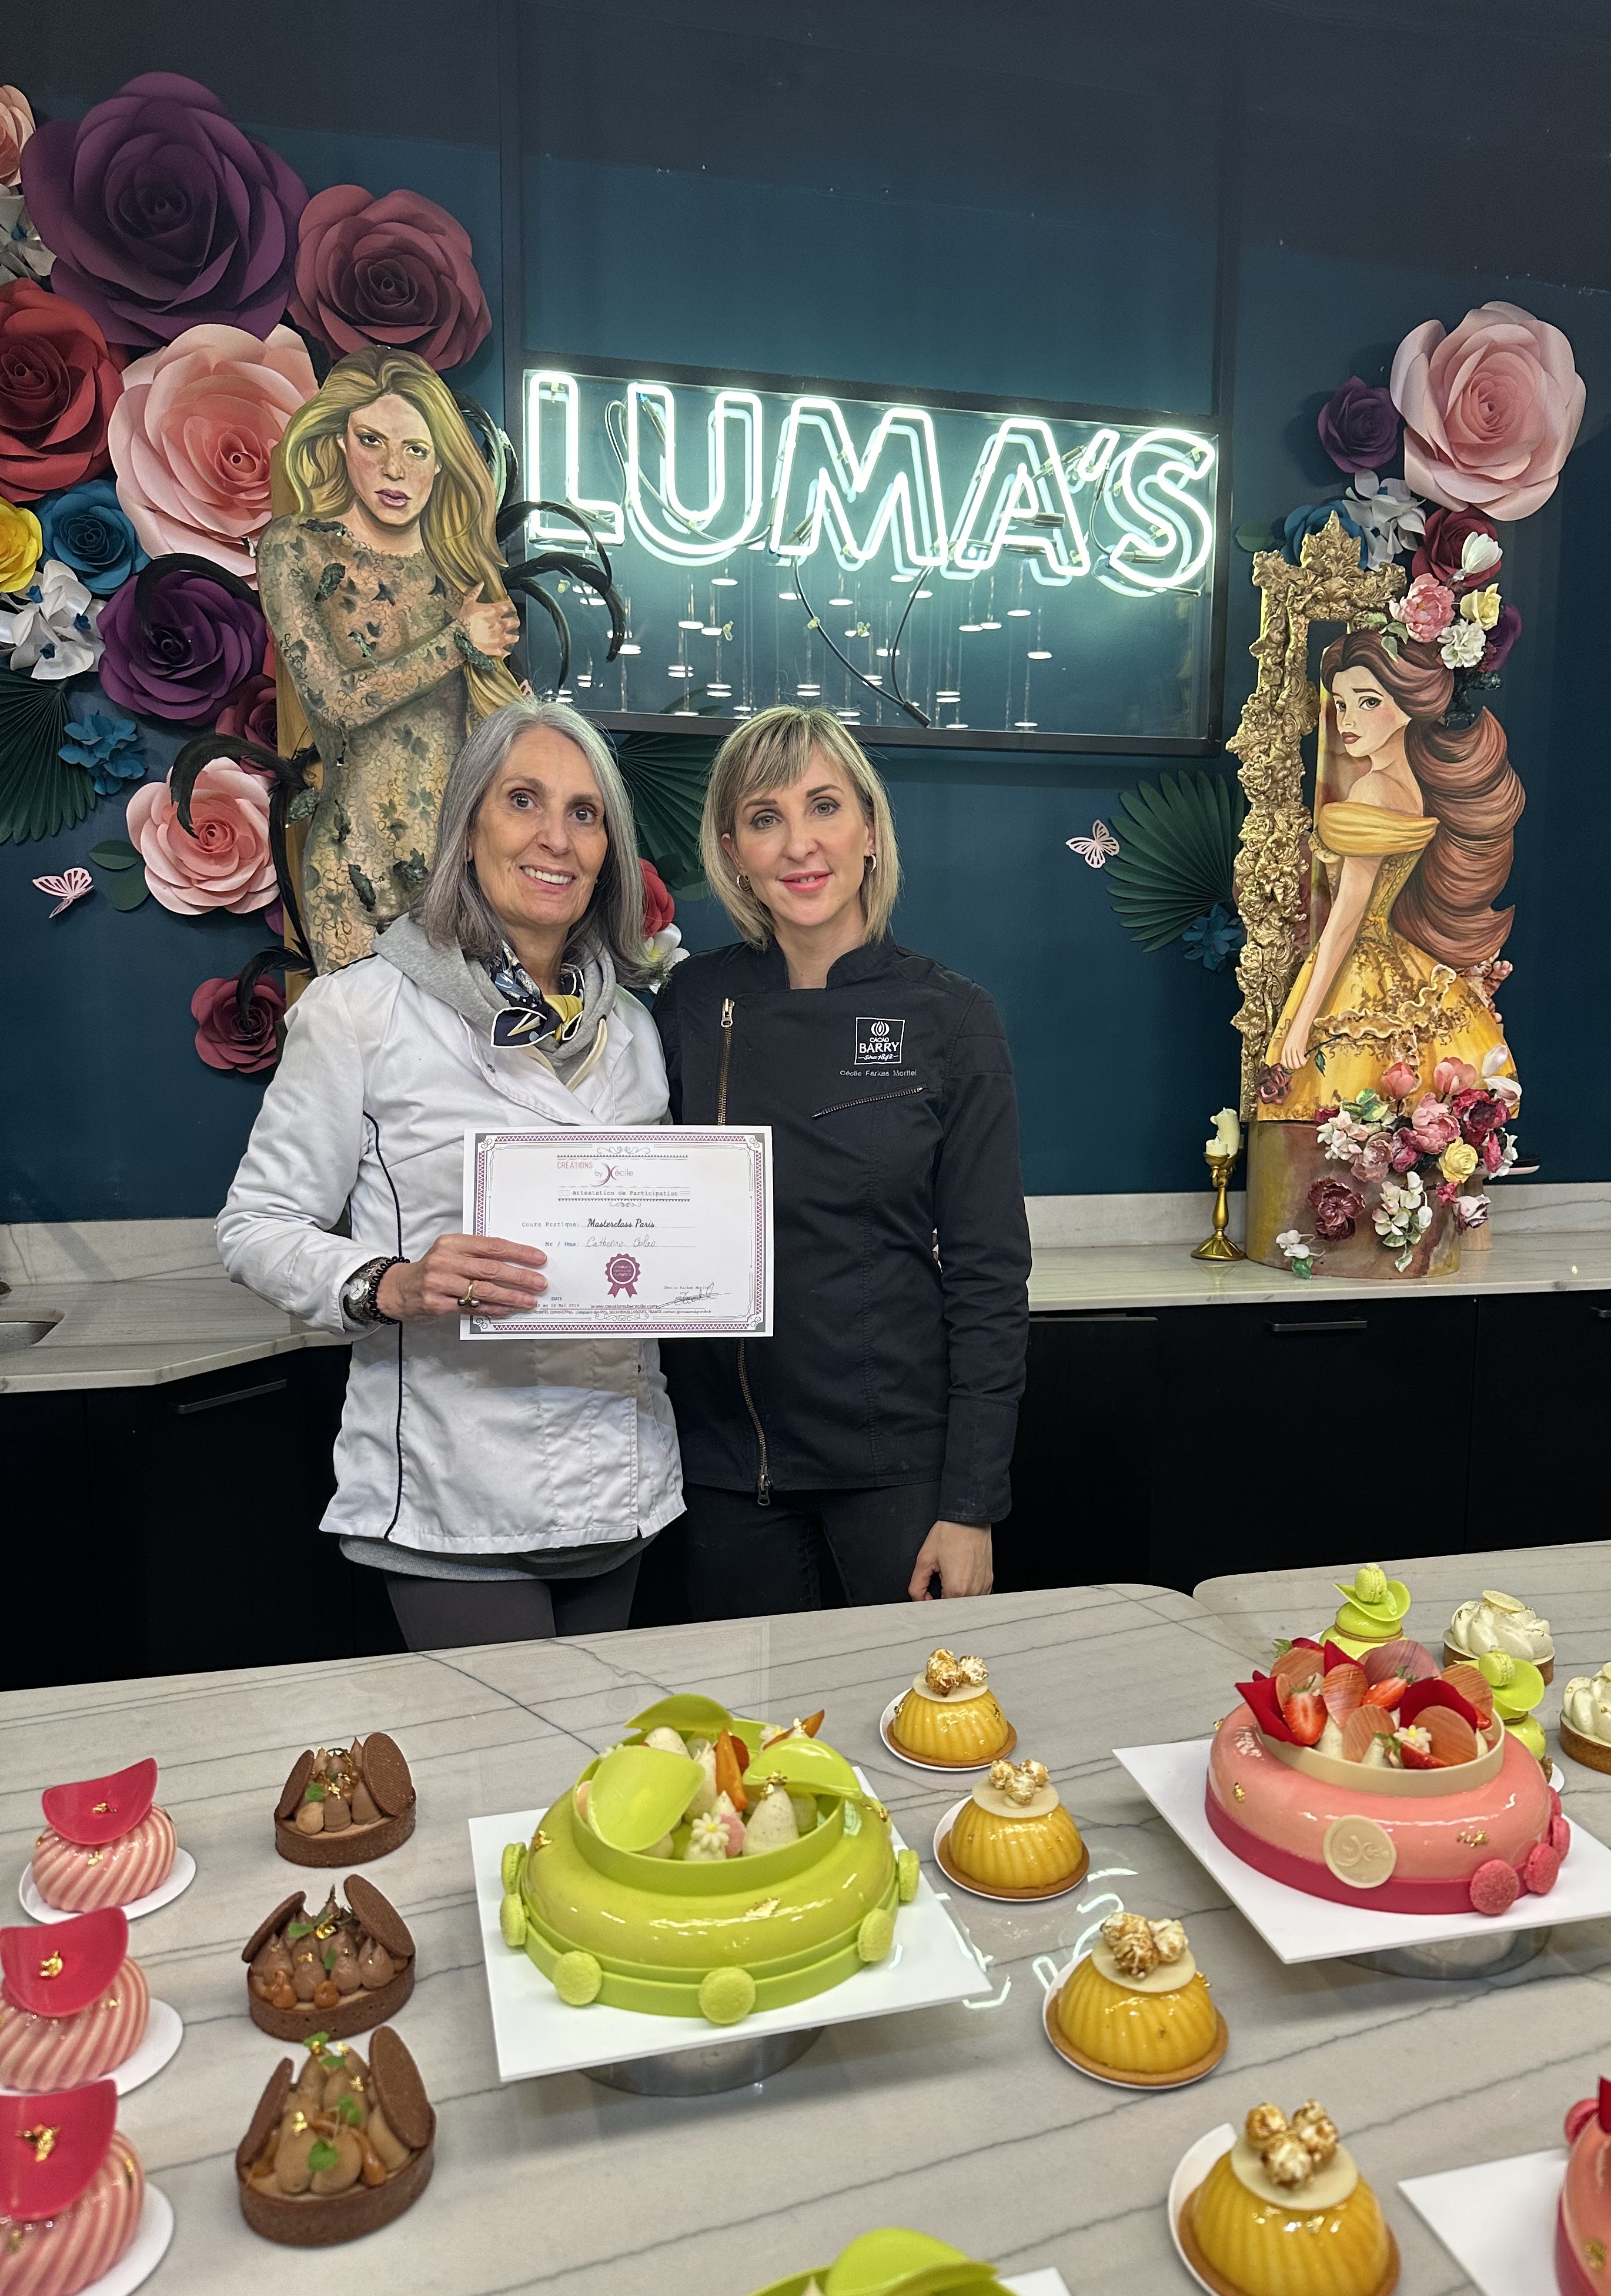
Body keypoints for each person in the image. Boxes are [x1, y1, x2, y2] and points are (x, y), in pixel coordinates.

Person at [217, 698, 681, 1648]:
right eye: (523, 800)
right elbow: (255, 1226)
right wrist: (391, 1283)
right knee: (506, 1750)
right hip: (450, 1491)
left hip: (621, 1483)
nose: (557, 839)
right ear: (468, 827)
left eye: (586, 813)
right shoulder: (361, 1012)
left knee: (608, 1750)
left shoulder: (631, 1026)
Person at [652, 704, 1030, 1617]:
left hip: (897, 1467)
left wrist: (972, 1505)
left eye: (823, 806)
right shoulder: (692, 1002)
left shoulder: (951, 1017)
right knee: (738, 1713)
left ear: (868, 828)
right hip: (726, 1469)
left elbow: (988, 1276)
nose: (799, 844)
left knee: (909, 1703)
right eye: (765, 818)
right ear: (734, 852)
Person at [258, 345, 523, 973]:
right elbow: (335, 704)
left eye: (417, 450)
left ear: (441, 463)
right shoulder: (295, 548)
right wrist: (456, 643)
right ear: (340, 442)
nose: (394, 469)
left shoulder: (459, 567)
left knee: (477, 1040)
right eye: (372, 440)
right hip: (352, 866)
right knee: (358, 1036)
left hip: (465, 873)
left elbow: (490, 738)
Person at [1258, 629, 1524, 1112]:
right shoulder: (1411, 788)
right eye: (1341, 704)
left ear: (1406, 706)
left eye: (1367, 702)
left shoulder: (1374, 790)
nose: (1347, 721)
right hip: (1396, 958)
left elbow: (1347, 918)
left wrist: (1301, 1024)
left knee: (1336, 1099)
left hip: (1358, 963)